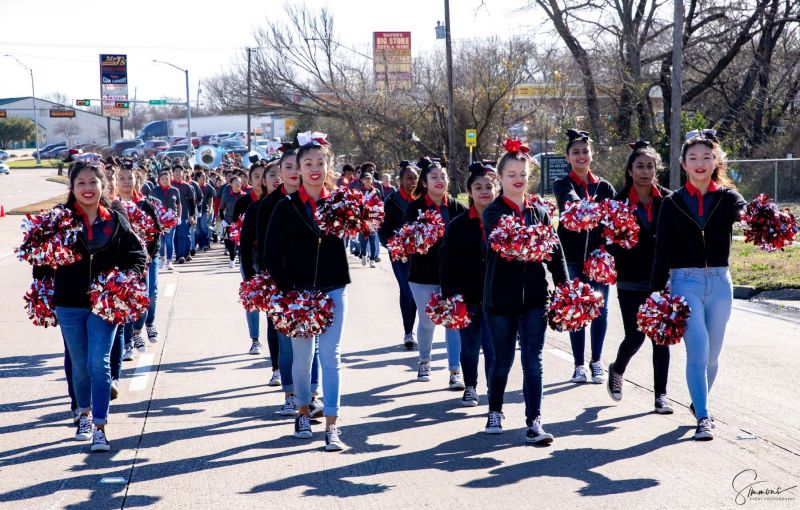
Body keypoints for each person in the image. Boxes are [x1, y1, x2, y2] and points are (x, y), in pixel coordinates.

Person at [35, 161, 146, 452]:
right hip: (69, 303)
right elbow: (40, 259)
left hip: (104, 304)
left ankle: (99, 426)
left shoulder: (116, 219)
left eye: (92, 182)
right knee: (81, 366)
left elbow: (137, 255)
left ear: (103, 186)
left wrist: (125, 280)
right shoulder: (59, 219)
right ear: (72, 187)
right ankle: (82, 413)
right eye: (81, 183)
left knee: (100, 363)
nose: (87, 188)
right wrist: (45, 276)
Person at [651, 130, 746, 441]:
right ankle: (703, 417)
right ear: (683, 164)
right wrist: (655, 293)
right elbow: (661, 251)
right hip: (684, 281)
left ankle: (698, 402)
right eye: (693, 158)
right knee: (698, 350)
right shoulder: (672, 203)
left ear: (715, 160)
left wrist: (752, 217)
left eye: (706, 157)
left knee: (713, 356)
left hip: (720, 283)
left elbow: (742, 210)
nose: (700, 163)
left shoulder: (727, 198)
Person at [264, 138, 350, 451]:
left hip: (333, 288)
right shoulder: (285, 207)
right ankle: (302, 410)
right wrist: (289, 292)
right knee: (303, 358)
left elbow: (360, 232)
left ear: (328, 167)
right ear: (298, 169)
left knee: (331, 357)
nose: (314, 169)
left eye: (320, 163)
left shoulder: (341, 203)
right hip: (298, 294)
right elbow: (271, 254)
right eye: (308, 164)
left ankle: (332, 426)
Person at [482, 140, 568, 444]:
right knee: (503, 359)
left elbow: (556, 253)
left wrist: (565, 286)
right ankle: (495, 410)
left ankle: (535, 422)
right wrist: (534, 240)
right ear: (500, 178)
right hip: (500, 300)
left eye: (523, 173)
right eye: (511, 174)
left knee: (533, 359)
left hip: (534, 297)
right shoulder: (493, 212)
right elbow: (505, 238)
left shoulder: (540, 212)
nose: (518, 178)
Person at [606, 141, 673, 414]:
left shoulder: (669, 200)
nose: (645, 171)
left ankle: (661, 396)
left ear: (656, 170)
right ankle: (617, 369)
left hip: (661, 280)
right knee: (635, 336)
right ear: (630, 170)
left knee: (661, 336)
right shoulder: (618, 202)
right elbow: (607, 240)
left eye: (650, 166)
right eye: (640, 166)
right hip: (630, 279)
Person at [257, 148, 322, 417]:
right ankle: (290, 392)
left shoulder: (316, 199)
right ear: (280, 173)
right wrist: (274, 284)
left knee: (313, 342)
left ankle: (312, 395)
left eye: (299, 166)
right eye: (288, 167)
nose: (295, 172)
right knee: (287, 342)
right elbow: (264, 248)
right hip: (280, 284)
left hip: (313, 284)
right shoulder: (271, 204)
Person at [552, 129, 616, 384]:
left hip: (598, 258)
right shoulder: (562, 183)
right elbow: (570, 201)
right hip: (572, 258)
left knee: (600, 309)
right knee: (576, 308)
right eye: (575, 152)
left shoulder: (604, 186)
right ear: (568, 157)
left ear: (592, 155)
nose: (581, 156)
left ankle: (597, 362)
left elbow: (614, 219)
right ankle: (579, 365)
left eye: (585, 151)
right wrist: (587, 206)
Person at [403, 157, 466, 388]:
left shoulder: (458, 207)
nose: (440, 180)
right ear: (425, 182)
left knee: (454, 320)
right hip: (422, 274)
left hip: (452, 274)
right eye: (434, 177)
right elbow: (407, 238)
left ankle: (455, 370)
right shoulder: (414, 207)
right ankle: (424, 360)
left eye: (443, 176)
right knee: (428, 321)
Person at [438, 163, 497, 407]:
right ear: (470, 192)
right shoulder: (458, 224)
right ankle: (471, 386)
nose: (484, 191)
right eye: (478, 187)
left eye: (489, 187)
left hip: (497, 297)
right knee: (470, 347)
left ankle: (495, 389)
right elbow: (446, 262)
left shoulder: (505, 221)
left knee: (494, 348)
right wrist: (450, 296)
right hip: (467, 297)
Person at [117, 166, 162, 363]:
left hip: (146, 261)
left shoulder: (145, 205)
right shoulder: (113, 206)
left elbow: (156, 232)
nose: (126, 182)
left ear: (137, 181)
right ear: (115, 182)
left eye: (130, 178)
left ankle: (139, 329)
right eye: (122, 178)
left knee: (147, 298)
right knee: (126, 301)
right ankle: (127, 344)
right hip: (123, 263)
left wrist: (149, 255)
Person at [379, 162, 419, 350]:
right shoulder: (391, 201)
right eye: (409, 178)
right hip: (399, 254)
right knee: (406, 289)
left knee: (416, 292)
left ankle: (415, 329)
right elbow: (383, 229)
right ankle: (408, 332)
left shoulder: (422, 200)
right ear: (401, 180)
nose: (412, 181)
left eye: (415, 178)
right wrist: (391, 244)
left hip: (420, 254)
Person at [237, 162, 267, 356]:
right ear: (250, 179)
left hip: (269, 256)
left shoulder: (277, 199)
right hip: (250, 254)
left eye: (264, 175)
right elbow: (235, 226)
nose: (261, 180)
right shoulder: (244, 201)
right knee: (253, 296)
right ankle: (255, 339)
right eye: (256, 176)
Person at [150, 169, 181, 271]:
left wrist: (179, 216)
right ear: (159, 180)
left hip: (171, 220)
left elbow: (179, 204)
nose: (165, 180)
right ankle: (162, 258)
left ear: (170, 179)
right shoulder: (154, 191)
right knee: (161, 241)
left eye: (167, 178)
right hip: (159, 220)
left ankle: (169, 261)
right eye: (162, 178)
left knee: (169, 240)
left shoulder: (174, 190)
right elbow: (150, 205)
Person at [219, 175, 246, 268]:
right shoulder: (226, 196)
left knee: (240, 243)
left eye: (239, 182)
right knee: (228, 242)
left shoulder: (245, 196)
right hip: (228, 222)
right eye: (236, 182)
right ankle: (232, 258)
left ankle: (240, 259)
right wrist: (223, 221)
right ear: (231, 184)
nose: (238, 184)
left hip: (241, 223)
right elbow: (221, 209)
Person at [172, 167, 197, 264]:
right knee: (176, 236)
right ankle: (185, 253)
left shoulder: (187, 187)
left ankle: (180, 255)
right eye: (176, 171)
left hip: (185, 215)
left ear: (183, 174)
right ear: (173, 173)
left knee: (183, 235)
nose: (178, 173)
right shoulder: (170, 186)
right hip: (172, 215)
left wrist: (191, 215)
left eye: (180, 172)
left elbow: (192, 203)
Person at [357, 171, 381, 268]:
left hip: (373, 219)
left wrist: (378, 212)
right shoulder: (360, 192)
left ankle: (372, 260)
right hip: (363, 219)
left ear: (372, 180)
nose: (367, 181)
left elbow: (380, 204)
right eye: (366, 179)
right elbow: (357, 205)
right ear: (363, 181)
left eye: (369, 179)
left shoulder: (376, 191)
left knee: (373, 239)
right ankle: (363, 254)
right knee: (363, 240)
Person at [195, 171, 216, 252]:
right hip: (196, 211)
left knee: (204, 227)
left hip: (204, 210)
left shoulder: (208, 187)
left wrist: (210, 208)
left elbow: (211, 199)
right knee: (198, 229)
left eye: (205, 176)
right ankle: (200, 244)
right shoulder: (194, 186)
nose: (204, 177)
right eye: (202, 176)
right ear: (198, 178)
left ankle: (205, 244)